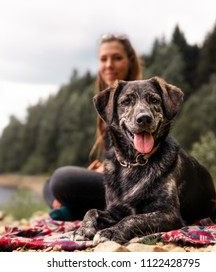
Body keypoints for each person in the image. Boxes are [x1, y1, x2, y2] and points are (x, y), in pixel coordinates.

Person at [43, 33, 143, 221]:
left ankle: (73, 211)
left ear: (130, 61)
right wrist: (102, 167)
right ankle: (76, 210)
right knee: (48, 184)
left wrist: (107, 168)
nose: (109, 65)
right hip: (115, 178)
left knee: (61, 180)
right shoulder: (108, 103)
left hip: (135, 183)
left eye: (117, 58)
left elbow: (143, 156)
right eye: (103, 59)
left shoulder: (139, 99)